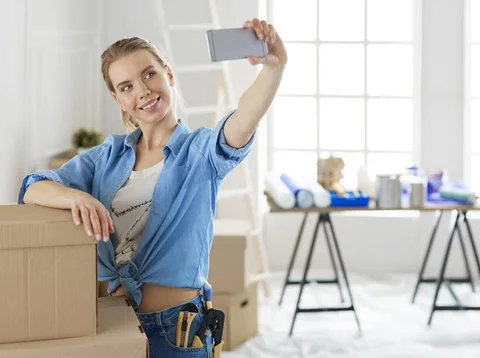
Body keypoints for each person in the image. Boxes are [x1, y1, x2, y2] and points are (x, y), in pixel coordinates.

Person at [18, 18, 286, 357]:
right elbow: (32, 188)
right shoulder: (107, 157)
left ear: (169, 76)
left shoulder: (200, 153)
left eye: (149, 74)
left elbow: (242, 121)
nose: (142, 90)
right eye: (126, 86)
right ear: (117, 98)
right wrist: (77, 196)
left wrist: (274, 68)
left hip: (177, 330)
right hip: (110, 323)